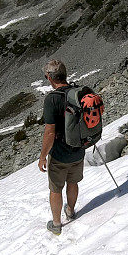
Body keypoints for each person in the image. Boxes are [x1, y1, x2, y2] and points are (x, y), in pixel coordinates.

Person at [38, 59, 84, 235]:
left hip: (59, 154)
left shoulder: (52, 99)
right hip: (78, 149)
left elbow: (50, 132)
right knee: (73, 182)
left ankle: (56, 224)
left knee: (56, 188)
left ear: (50, 78)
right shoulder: (76, 92)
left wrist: (43, 156)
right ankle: (70, 211)